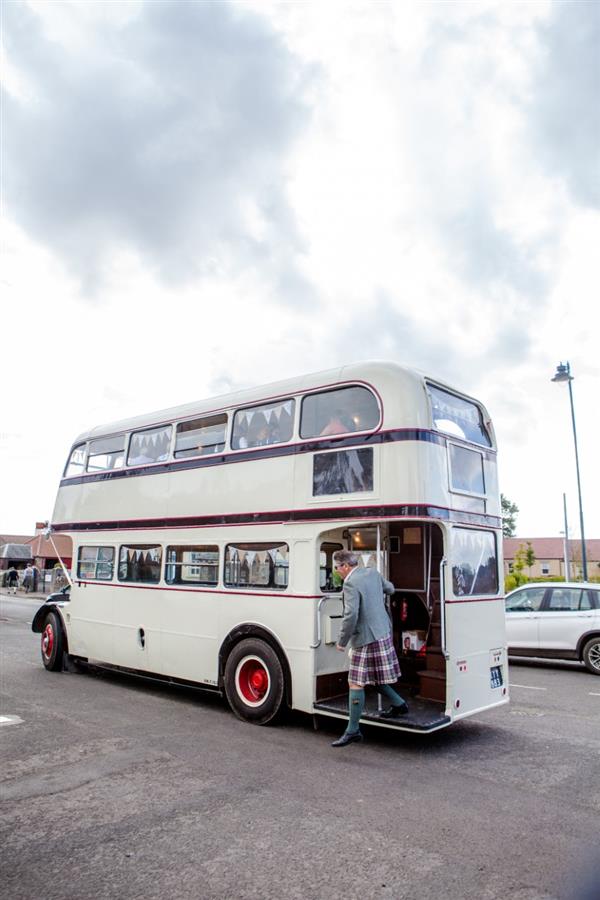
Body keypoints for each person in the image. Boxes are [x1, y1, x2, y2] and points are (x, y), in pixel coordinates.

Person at [331, 549, 408, 747]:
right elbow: (390, 589)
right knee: (375, 677)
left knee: (355, 682)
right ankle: (400, 705)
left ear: (346, 566)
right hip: (383, 631)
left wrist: (341, 641)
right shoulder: (372, 573)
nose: (337, 571)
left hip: (365, 637)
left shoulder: (350, 583)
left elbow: (351, 615)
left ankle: (353, 731)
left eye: (337, 567)